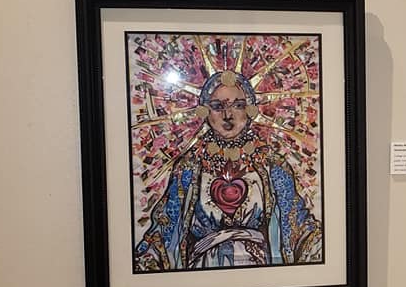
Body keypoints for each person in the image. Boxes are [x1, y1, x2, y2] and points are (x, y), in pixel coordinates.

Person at [134, 69, 322, 272]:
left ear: (250, 109)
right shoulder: (188, 169)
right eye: (217, 106)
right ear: (205, 111)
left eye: (238, 105)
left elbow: (298, 226)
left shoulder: (271, 166)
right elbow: (164, 231)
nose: (228, 115)